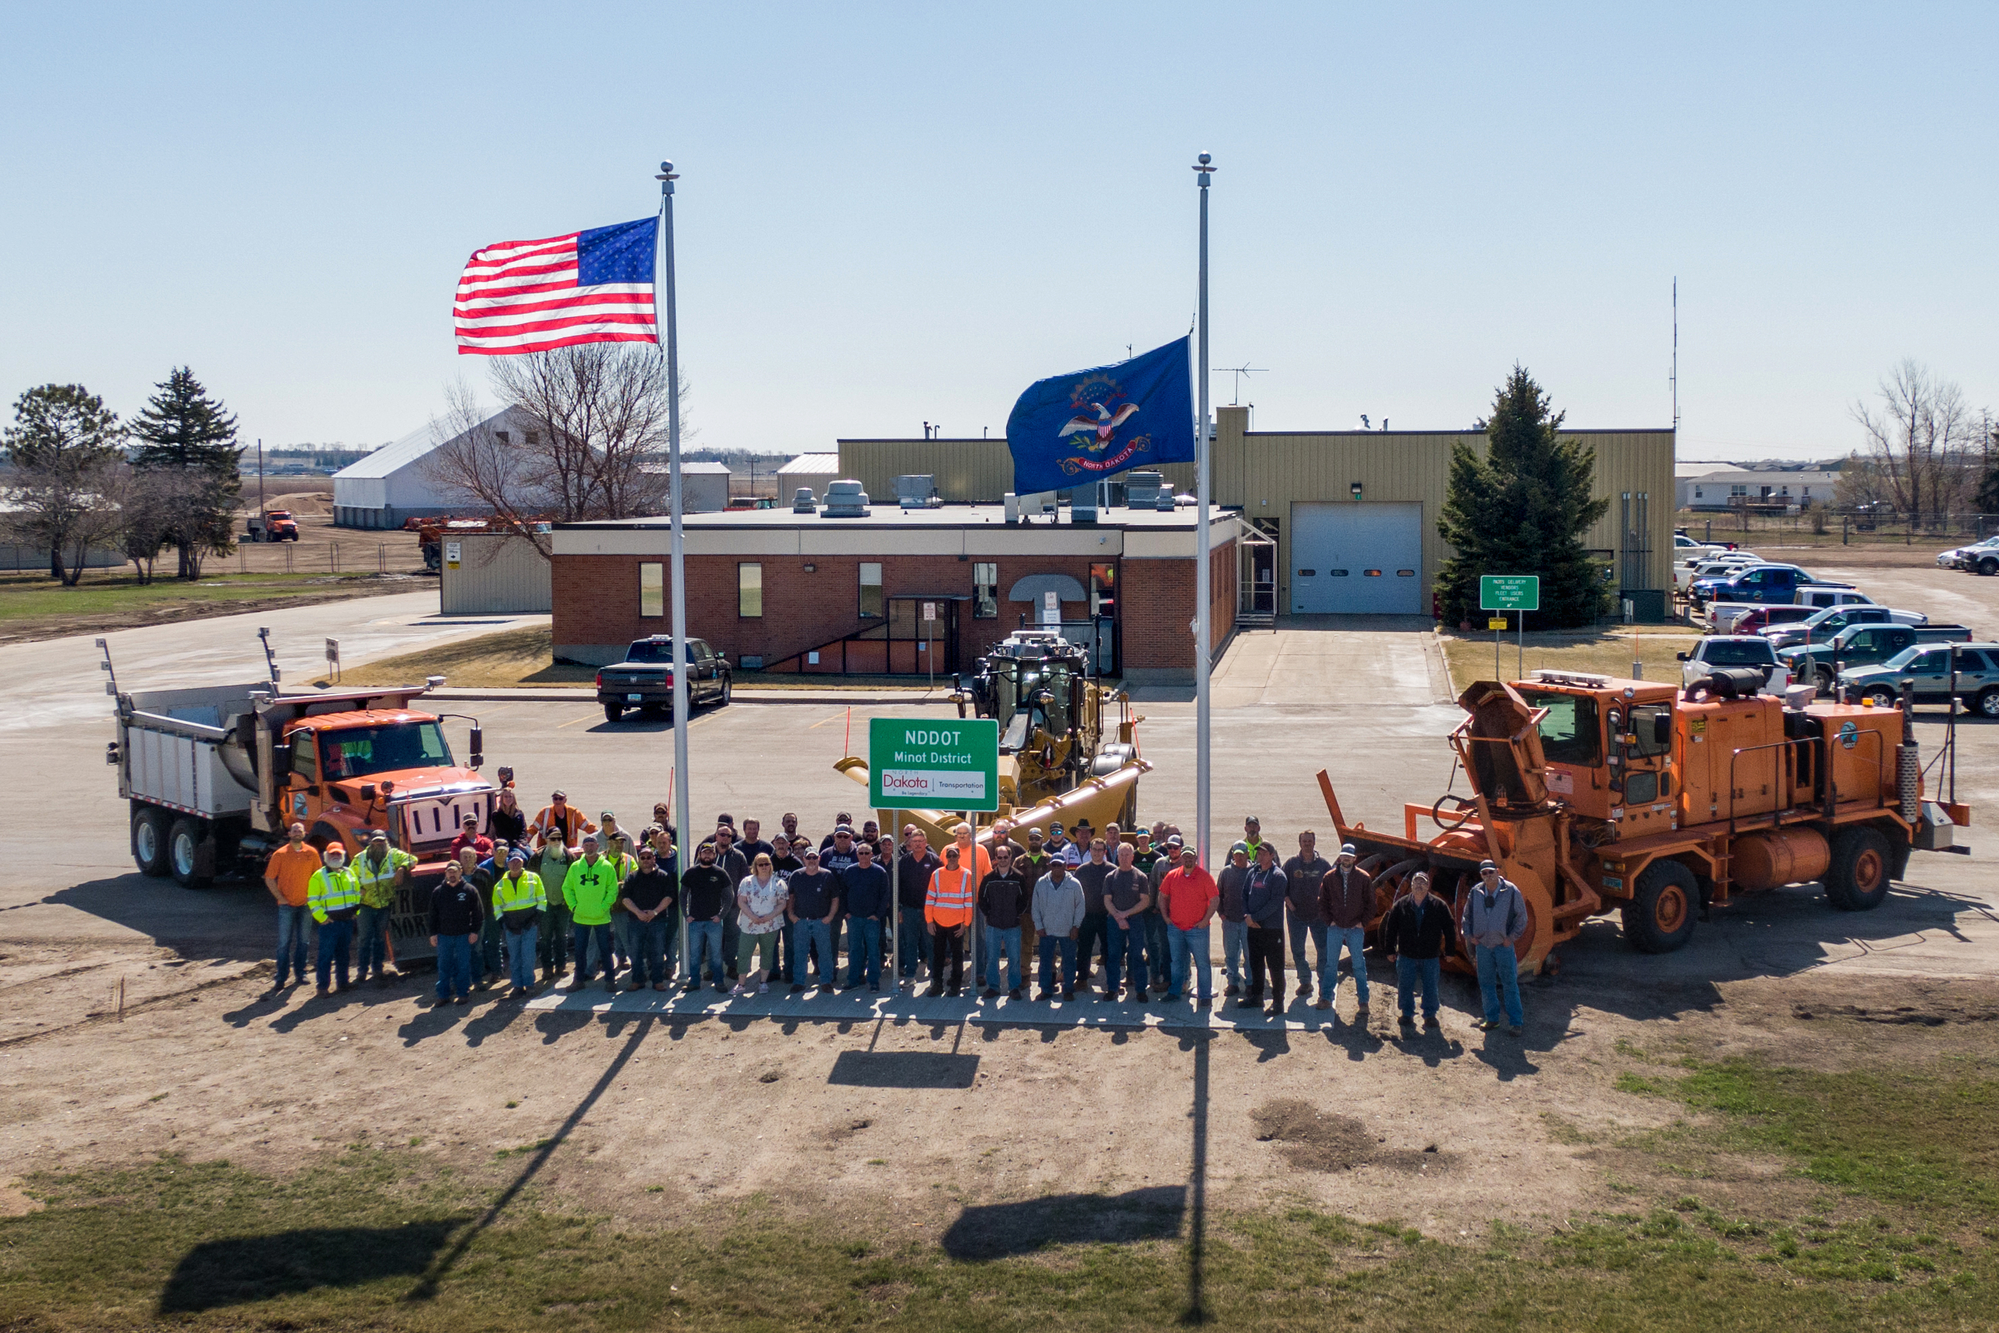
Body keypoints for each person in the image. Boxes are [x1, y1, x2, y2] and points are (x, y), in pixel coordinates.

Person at [1382, 871, 1457, 1030]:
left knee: (1430, 986)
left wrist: (1450, 951)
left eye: (1423, 882)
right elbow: (1391, 929)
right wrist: (1389, 950)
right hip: (1406, 955)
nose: (1419, 885)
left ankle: (1430, 1015)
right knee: (1405, 985)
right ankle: (1407, 1014)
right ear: (1411, 885)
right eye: (1416, 882)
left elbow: (1450, 928)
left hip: (1429, 956)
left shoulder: (1439, 905)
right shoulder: (1401, 905)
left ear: (1428, 885)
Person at [1463, 860, 1527, 1034]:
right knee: (1486, 983)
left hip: (1503, 947)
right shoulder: (1476, 892)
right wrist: (1469, 936)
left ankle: (1516, 1022)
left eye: (1491, 872)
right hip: (1483, 947)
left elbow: (1522, 918)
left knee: (1509, 983)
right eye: (1484, 873)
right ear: (1481, 875)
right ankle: (1492, 1019)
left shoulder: (1511, 891)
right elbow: (1466, 916)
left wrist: (1511, 938)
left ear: (1497, 871)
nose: (1488, 876)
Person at [261, 823, 319, 1000]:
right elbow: (269, 878)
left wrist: (314, 897)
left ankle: (300, 973)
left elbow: (318, 877)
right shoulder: (280, 854)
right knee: (284, 943)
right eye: (294, 830)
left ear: (304, 833)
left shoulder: (312, 853)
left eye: (300, 830)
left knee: (304, 941)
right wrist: (281, 897)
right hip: (286, 906)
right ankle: (280, 978)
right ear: (289, 833)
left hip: (305, 905)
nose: (297, 833)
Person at [352, 829, 416, 988]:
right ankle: (361, 971)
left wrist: (402, 868)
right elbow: (350, 878)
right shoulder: (359, 859)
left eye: (382, 841)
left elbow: (413, 859)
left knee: (380, 939)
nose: (379, 844)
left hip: (384, 905)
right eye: (376, 841)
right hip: (365, 905)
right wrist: (356, 889)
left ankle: (377, 969)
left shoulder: (393, 855)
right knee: (364, 938)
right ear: (370, 842)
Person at [1318, 841, 1374, 1018]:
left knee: (1358, 965)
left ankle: (1363, 1001)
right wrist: (1329, 921)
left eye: (1349, 857)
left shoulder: (1364, 878)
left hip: (1354, 929)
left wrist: (1362, 922)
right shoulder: (1329, 877)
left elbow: (1371, 904)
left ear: (1354, 859)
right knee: (1330, 964)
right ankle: (1326, 997)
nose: (1346, 859)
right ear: (1340, 857)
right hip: (1335, 928)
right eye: (1344, 856)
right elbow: (1322, 902)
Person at [1157, 843, 1218, 1004]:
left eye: (1191, 856)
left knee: (1202, 963)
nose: (1188, 859)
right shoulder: (1172, 875)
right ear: (1181, 858)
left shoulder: (1204, 877)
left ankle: (1205, 996)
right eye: (1185, 856)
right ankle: (1175, 991)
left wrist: (1205, 920)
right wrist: (1166, 917)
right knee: (1177, 962)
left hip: (1197, 930)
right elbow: (1162, 896)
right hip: (1175, 928)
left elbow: (1215, 900)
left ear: (1196, 858)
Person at [561, 834, 622, 991]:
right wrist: (574, 906)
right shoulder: (575, 867)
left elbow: (612, 890)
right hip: (581, 916)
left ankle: (610, 980)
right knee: (580, 950)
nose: (589, 848)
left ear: (597, 847)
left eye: (591, 845)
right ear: (583, 848)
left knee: (605, 949)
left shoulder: (606, 867)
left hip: (601, 917)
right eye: (586, 845)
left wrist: (604, 906)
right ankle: (578, 980)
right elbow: (567, 888)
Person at [306, 841, 363, 996]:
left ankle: (343, 983)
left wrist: (355, 913)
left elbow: (358, 894)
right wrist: (322, 918)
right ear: (326, 856)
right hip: (329, 924)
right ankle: (322, 987)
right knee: (326, 955)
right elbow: (312, 900)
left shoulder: (349, 873)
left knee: (344, 955)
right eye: (332, 853)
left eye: (338, 853)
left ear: (343, 855)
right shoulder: (318, 876)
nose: (336, 856)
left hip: (346, 922)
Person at [620, 844, 678, 993]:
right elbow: (625, 898)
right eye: (643, 858)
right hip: (635, 921)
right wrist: (638, 912)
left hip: (657, 921)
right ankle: (637, 980)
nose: (646, 860)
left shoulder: (663, 876)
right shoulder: (632, 877)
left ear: (654, 859)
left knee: (658, 952)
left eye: (649, 857)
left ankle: (657, 981)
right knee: (636, 952)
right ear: (639, 860)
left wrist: (655, 912)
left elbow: (669, 897)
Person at [1283, 830, 1332, 1003]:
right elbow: (1282, 886)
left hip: (1318, 917)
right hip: (1296, 916)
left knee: (1323, 951)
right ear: (1299, 842)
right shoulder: (1290, 864)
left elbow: (1332, 889)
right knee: (1297, 950)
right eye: (1304, 841)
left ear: (1314, 842)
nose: (1307, 844)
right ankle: (1305, 981)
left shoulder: (1324, 865)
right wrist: (1290, 904)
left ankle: (1323, 983)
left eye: (1310, 841)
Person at [1239, 843, 1288, 1016]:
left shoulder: (1278, 876)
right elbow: (1244, 894)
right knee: (1255, 963)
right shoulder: (1253, 872)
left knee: (1275, 966)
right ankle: (1257, 997)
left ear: (1272, 855)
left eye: (1264, 853)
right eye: (1258, 853)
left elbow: (1275, 903)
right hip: (1253, 928)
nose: (1260, 856)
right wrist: (1247, 916)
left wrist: (1255, 917)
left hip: (1272, 930)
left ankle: (1278, 1002)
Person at [679, 841, 734, 992]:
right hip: (695, 921)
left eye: (710, 852)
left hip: (714, 922)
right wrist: (686, 914)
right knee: (695, 954)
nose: (707, 855)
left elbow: (729, 897)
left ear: (714, 855)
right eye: (705, 852)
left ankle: (719, 981)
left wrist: (721, 916)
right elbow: (683, 895)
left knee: (716, 955)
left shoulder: (720, 873)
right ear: (699, 854)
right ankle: (694, 982)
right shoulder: (691, 873)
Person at [427, 859, 482, 1006]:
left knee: (463, 966)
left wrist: (474, 931)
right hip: (444, 936)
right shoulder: (438, 892)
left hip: (464, 935)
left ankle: (463, 993)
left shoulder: (469, 890)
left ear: (460, 872)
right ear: (445, 873)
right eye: (449, 871)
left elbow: (478, 913)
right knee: (444, 966)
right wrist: (433, 933)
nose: (452, 874)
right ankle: (443, 995)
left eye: (455, 871)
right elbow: (432, 915)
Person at [785, 846, 841, 992]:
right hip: (801, 921)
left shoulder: (827, 876)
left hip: (821, 921)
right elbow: (790, 897)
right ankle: (799, 982)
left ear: (819, 859)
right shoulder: (796, 875)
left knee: (825, 953)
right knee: (800, 953)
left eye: (814, 857)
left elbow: (835, 898)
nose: (811, 860)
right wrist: (791, 914)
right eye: (808, 857)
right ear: (803, 859)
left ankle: (826, 981)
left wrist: (830, 917)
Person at [1099, 843, 1151, 1001]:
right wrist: (1118, 916)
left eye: (1127, 855)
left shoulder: (1140, 877)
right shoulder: (1110, 877)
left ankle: (1140, 990)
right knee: (1114, 955)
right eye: (1121, 855)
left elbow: (1145, 901)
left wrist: (1126, 914)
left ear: (1132, 857)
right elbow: (1107, 900)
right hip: (1114, 921)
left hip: (1135, 920)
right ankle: (1112, 989)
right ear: (1117, 857)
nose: (1124, 858)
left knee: (1136, 955)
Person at [492, 849, 546, 998]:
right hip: (511, 928)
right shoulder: (500, 884)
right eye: (512, 861)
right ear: (507, 863)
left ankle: (529, 985)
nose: (515, 864)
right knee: (514, 958)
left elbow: (542, 900)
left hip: (530, 926)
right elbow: (496, 906)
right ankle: (517, 986)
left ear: (523, 862)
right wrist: (504, 923)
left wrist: (535, 920)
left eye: (518, 861)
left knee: (528, 957)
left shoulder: (533, 878)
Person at [977, 843, 1029, 999]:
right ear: (995, 859)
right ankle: (993, 987)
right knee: (992, 958)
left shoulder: (1018, 877)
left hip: (1013, 926)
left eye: (1005, 857)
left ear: (1010, 857)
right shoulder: (989, 878)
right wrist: (989, 914)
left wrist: (1016, 914)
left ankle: (1014, 987)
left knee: (1014, 958)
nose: (1003, 860)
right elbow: (982, 899)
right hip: (993, 926)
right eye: (999, 857)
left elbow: (1024, 900)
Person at [839, 839, 891, 992]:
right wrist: (846, 913)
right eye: (860, 853)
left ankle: (874, 981)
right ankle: (853, 980)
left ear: (871, 854)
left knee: (873, 951)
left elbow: (885, 895)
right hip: (854, 918)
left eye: (866, 853)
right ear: (857, 854)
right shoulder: (849, 871)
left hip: (872, 920)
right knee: (855, 949)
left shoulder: (879, 872)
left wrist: (877, 914)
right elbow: (843, 894)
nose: (863, 856)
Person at [924, 845, 975, 996]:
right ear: (946, 857)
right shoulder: (937, 874)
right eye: (949, 856)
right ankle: (937, 983)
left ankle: (955, 983)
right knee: (937, 955)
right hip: (938, 922)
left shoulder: (966, 875)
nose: (952, 859)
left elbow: (968, 901)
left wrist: (965, 924)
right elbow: (930, 898)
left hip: (957, 923)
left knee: (957, 956)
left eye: (955, 856)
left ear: (959, 857)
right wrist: (929, 921)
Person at [734, 853, 788, 996]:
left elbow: (782, 903)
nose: (764, 867)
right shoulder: (747, 882)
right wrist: (753, 917)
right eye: (761, 864)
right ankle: (741, 984)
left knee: (767, 953)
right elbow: (741, 901)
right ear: (755, 866)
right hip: (749, 924)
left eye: (767, 864)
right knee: (744, 953)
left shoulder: (778, 883)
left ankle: (763, 982)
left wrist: (769, 917)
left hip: (770, 924)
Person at [1031, 859, 1085, 1001]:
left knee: (1069, 961)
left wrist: (1076, 926)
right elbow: (1035, 906)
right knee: (1045, 962)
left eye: (1059, 865)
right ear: (1049, 866)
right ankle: (1046, 989)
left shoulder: (1074, 884)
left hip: (1068, 930)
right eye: (1053, 865)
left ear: (1065, 866)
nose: (1056, 868)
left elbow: (1080, 906)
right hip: (1047, 930)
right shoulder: (1041, 883)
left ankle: (1068, 989)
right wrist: (1039, 926)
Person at [895, 828, 941, 986]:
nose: (918, 844)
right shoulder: (903, 861)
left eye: (921, 841)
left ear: (926, 843)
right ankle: (910, 975)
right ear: (910, 843)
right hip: (908, 910)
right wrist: (899, 909)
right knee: (910, 943)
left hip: (930, 911)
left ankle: (935, 976)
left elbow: (941, 887)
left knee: (931, 943)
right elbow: (898, 886)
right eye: (914, 841)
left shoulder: (935, 861)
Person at [536, 826, 576, 983]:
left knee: (562, 936)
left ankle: (561, 965)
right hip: (545, 905)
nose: (556, 841)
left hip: (563, 904)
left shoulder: (568, 856)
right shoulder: (538, 856)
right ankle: (547, 967)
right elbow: (532, 879)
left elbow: (574, 879)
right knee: (545, 937)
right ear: (546, 839)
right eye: (553, 838)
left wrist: (570, 901)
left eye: (559, 838)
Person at [1073, 838, 1114, 989]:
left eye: (1100, 850)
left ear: (1104, 852)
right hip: (1086, 916)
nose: (1097, 853)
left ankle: (1111, 981)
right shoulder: (1081, 870)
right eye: (1094, 850)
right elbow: (1075, 896)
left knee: (1109, 950)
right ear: (1090, 851)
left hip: (1106, 916)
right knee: (1084, 949)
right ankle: (1082, 978)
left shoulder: (1112, 870)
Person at [1215, 843, 1250, 997]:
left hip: (1248, 923)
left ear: (1248, 854)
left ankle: (1250, 983)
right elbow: (1218, 895)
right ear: (1232, 855)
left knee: (1250, 955)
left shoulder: (1254, 872)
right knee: (1230, 954)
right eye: (1236, 854)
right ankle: (1232, 983)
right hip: (1229, 921)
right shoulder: (1226, 873)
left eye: (1242, 853)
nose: (1239, 856)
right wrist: (1221, 913)